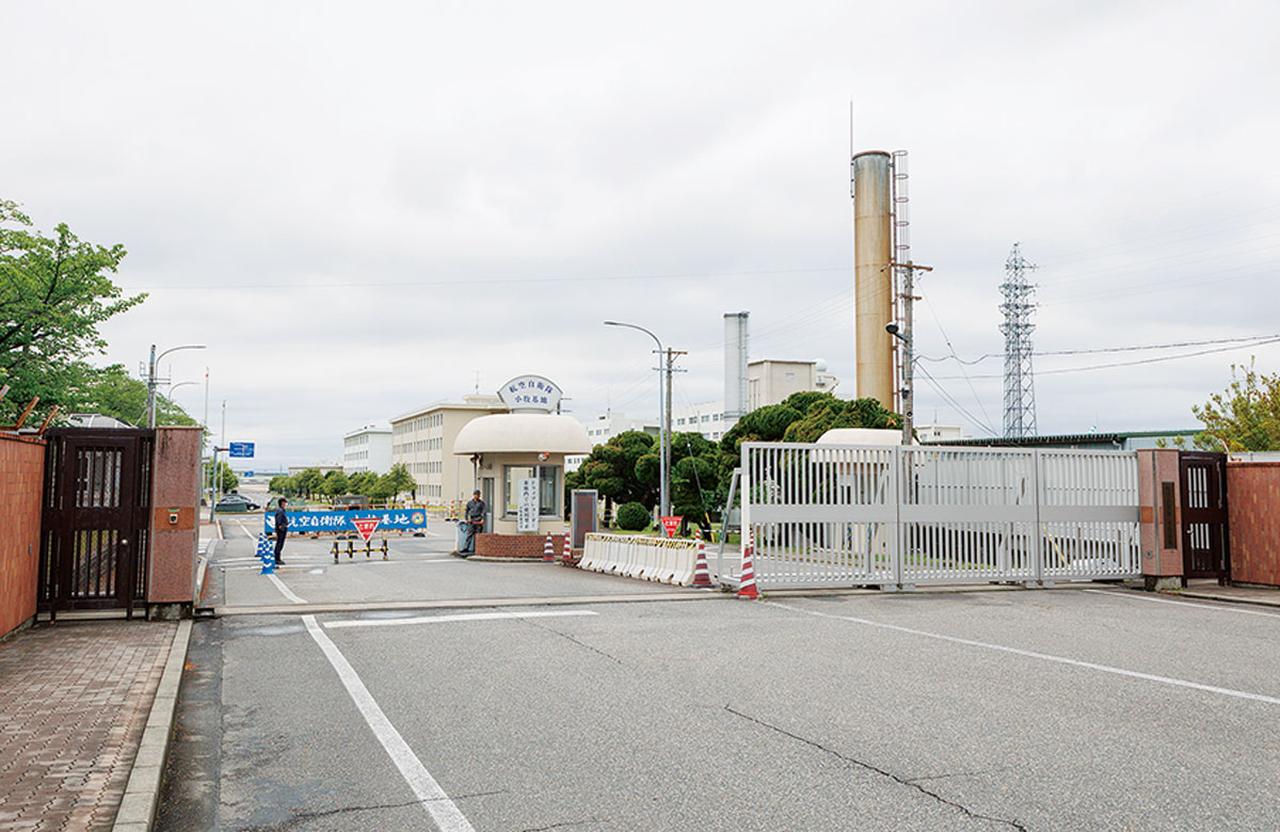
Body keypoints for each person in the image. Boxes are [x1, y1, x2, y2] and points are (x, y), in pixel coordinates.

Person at [463, 489, 486, 554]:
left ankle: (477, 549)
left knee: (478, 535)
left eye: (478, 495)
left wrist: (482, 519)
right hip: (472, 520)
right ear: (474, 495)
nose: (477, 496)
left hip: (478, 520)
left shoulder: (481, 503)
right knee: (469, 535)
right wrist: (467, 519)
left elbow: (483, 512)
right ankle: (466, 548)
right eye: (476, 495)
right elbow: (466, 511)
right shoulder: (470, 503)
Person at [273, 497, 289, 566]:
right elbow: (279, 520)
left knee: (280, 543)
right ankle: (277, 558)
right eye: (284, 502)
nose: (285, 504)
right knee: (279, 544)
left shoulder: (281, 510)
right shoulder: (280, 511)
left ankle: (277, 558)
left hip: (282, 529)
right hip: (281, 530)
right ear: (282, 503)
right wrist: (280, 526)